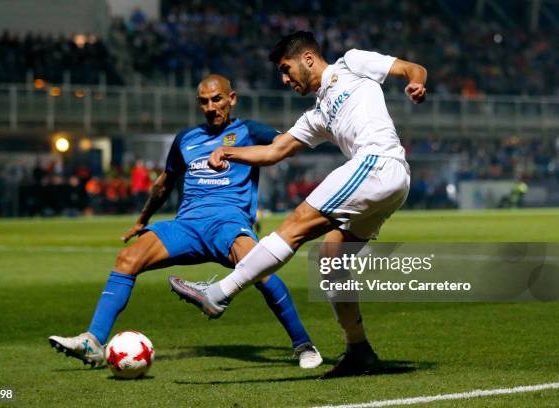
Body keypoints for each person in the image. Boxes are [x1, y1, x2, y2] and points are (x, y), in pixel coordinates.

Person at [169, 31, 427, 378]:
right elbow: (275, 151)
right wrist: (227, 151)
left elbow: (413, 68)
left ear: (308, 58)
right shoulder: (317, 115)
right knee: (331, 259)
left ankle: (219, 292)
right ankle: (359, 350)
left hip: (378, 163)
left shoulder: (351, 63)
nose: (285, 79)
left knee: (296, 224)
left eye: (286, 69)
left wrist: (416, 84)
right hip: (390, 181)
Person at [49, 74, 322, 369]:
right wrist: (142, 220)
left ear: (232, 99)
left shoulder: (249, 131)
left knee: (263, 271)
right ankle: (94, 341)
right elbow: (163, 185)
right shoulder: (186, 139)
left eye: (217, 99)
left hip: (228, 224)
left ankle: (303, 344)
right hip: (187, 225)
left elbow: (287, 145)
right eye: (203, 102)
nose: (210, 107)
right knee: (127, 258)